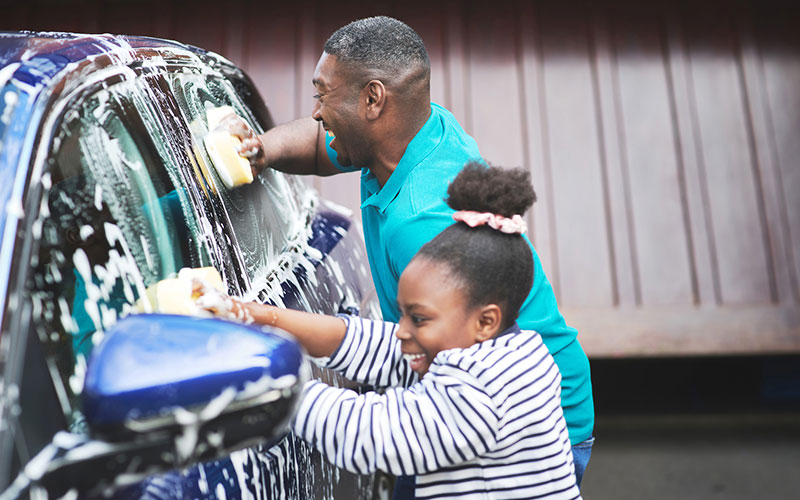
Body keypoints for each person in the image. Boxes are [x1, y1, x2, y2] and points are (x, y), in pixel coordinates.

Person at [224, 15, 594, 483]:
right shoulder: (410, 133)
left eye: (322, 95)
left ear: (373, 99)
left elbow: (379, 433)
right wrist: (262, 149)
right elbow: (321, 144)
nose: (316, 111)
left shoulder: (422, 223)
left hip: (518, 432)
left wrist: (262, 382)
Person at [195, 164, 581, 500]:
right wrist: (252, 315)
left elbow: (372, 434)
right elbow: (364, 343)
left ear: (485, 321)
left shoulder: (479, 392)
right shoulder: (511, 348)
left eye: (419, 318)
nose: (401, 331)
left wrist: (268, 377)